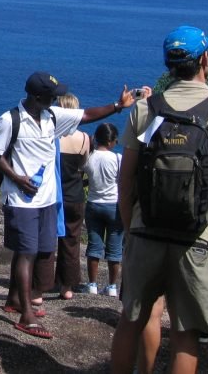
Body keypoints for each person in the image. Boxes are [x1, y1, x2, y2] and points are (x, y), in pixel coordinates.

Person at [110, 26, 208, 374]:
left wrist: (131, 228)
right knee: (185, 334)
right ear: (205, 60)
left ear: (169, 65)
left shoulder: (146, 110)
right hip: (198, 237)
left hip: (145, 231)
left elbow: (126, 181)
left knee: (130, 321)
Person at [0, 71, 143, 340]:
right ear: (38, 96)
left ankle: (14, 298)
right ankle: (26, 314)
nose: (56, 98)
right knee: (26, 253)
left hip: (48, 199)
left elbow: (85, 115)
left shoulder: (52, 117)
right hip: (21, 200)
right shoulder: (9, 120)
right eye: (52, 95)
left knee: (34, 251)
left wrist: (117, 106)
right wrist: (17, 178)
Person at [53, 93, 91, 300]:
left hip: (54, 194)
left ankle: (39, 287)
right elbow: (84, 166)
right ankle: (66, 287)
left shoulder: (52, 136)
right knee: (71, 241)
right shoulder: (84, 138)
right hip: (75, 194)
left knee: (47, 241)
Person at [83, 122, 125, 297]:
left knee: (94, 245)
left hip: (93, 203)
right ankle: (112, 286)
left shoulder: (89, 158)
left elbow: (85, 177)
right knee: (115, 248)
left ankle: (92, 284)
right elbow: (122, 180)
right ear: (111, 141)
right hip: (113, 205)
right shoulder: (117, 158)